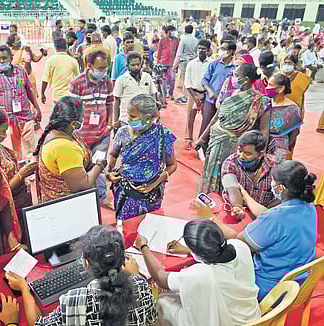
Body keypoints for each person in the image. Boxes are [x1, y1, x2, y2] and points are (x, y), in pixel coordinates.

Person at [0, 225, 158, 326]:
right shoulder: (141, 285)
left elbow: (38, 324)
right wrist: (134, 277)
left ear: (87, 263)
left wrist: (25, 289)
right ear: (123, 260)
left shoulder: (75, 300)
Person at [210, 160, 317, 301]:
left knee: (214, 272)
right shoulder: (309, 207)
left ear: (280, 188)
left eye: (272, 181)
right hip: (300, 282)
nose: (271, 185)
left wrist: (210, 217)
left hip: (270, 289)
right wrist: (246, 196)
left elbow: (238, 243)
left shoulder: (275, 218)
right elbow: (267, 214)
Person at [136, 219, 260, 326]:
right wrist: (189, 250)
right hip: (249, 315)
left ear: (199, 254)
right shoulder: (239, 246)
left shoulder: (202, 274)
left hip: (227, 321)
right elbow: (217, 254)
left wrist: (144, 247)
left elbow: (159, 277)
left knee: (163, 301)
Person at [198, 64, 271, 194]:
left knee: (231, 176)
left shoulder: (261, 101)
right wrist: (202, 138)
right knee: (211, 173)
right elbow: (216, 118)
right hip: (216, 143)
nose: (233, 78)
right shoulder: (229, 95)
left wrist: (262, 153)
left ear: (246, 79)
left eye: (236, 76)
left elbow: (264, 129)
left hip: (237, 148)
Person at [108, 94, 177, 222]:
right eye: (128, 115)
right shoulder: (123, 132)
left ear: (147, 118)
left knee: (148, 226)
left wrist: (154, 183)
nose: (128, 119)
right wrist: (109, 173)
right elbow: (113, 154)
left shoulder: (163, 134)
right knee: (126, 228)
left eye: (133, 116)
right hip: (126, 191)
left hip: (152, 194)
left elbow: (172, 165)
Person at [33, 96, 107, 203]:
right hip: (67, 206)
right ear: (73, 123)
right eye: (82, 116)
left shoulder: (58, 132)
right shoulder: (64, 147)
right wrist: (100, 166)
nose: (83, 120)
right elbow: (82, 185)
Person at [68, 50, 113, 205]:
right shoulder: (77, 83)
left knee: (99, 163)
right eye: (100, 68)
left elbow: (110, 103)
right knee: (80, 168)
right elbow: (71, 109)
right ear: (89, 66)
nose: (103, 72)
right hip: (81, 137)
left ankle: (102, 197)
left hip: (101, 135)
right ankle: (82, 197)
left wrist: (109, 124)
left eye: (106, 68)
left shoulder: (107, 82)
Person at [0, 45, 42, 160]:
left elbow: (29, 90)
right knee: (15, 146)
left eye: (4, 58)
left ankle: (32, 170)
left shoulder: (20, 71)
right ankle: (20, 169)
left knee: (30, 145)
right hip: (8, 116)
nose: (1, 61)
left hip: (25, 114)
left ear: (11, 58)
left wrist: (37, 108)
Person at [221, 131, 278, 220]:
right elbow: (232, 188)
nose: (241, 156)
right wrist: (238, 207)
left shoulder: (274, 165)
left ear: (260, 154)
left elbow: (281, 195)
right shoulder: (230, 163)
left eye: (247, 153)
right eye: (240, 151)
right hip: (238, 215)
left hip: (263, 215)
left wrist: (265, 212)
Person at [199, 40, 237, 151]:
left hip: (226, 103)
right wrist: (210, 91)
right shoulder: (214, 64)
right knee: (206, 124)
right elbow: (204, 80)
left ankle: (214, 149)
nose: (221, 51)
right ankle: (201, 148)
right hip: (210, 100)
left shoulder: (235, 67)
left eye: (224, 49)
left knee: (220, 126)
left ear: (230, 51)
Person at [113, 52, 158, 126]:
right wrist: (115, 121)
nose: (136, 67)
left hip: (145, 120)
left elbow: (152, 96)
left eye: (138, 64)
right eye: (133, 65)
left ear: (141, 64)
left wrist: (155, 112)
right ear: (127, 66)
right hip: (126, 120)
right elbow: (116, 101)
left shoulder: (147, 77)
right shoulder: (121, 80)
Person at [266, 74, 303, 161]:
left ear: (281, 89)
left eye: (270, 85)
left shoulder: (292, 108)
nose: (267, 87)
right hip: (262, 145)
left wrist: (285, 147)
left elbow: (295, 133)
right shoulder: (265, 102)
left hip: (279, 149)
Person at [183, 39, 211, 150]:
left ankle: (203, 140)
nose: (201, 51)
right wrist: (195, 97)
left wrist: (203, 95)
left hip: (205, 95)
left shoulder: (211, 64)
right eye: (199, 48)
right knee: (190, 117)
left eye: (203, 49)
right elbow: (187, 82)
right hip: (192, 93)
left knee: (206, 118)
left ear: (208, 51)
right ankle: (188, 139)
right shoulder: (191, 64)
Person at [9, 33, 46, 106]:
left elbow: (35, 59)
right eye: (17, 40)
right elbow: (14, 63)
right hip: (19, 79)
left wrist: (42, 54)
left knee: (32, 95)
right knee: (21, 95)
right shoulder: (11, 52)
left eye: (19, 39)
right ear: (12, 43)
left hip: (30, 76)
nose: (19, 41)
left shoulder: (27, 49)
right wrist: (20, 50)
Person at [41, 38, 79, 104]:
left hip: (57, 96)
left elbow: (45, 79)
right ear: (66, 47)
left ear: (55, 47)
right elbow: (78, 79)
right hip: (70, 95)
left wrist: (42, 94)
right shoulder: (73, 61)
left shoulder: (50, 61)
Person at [173, 25, 199, 105]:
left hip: (184, 61)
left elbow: (179, 53)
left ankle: (185, 96)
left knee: (185, 79)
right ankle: (191, 96)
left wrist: (175, 65)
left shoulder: (183, 40)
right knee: (191, 78)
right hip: (193, 61)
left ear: (185, 31)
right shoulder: (196, 40)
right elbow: (196, 52)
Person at [156, 25, 180, 100]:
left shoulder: (176, 40)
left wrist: (177, 63)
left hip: (172, 63)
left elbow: (177, 52)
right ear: (168, 31)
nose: (173, 32)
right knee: (164, 79)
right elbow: (159, 52)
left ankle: (170, 93)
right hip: (163, 62)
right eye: (172, 31)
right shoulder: (162, 40)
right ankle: (164, 93)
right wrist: (158, 62)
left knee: (172, 78)